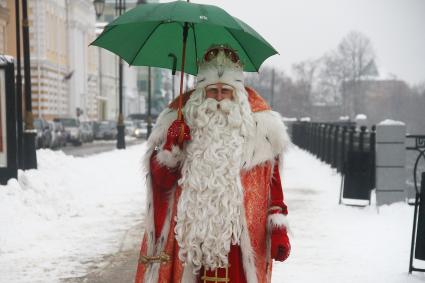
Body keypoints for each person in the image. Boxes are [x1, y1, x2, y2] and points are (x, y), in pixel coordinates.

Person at [135, 45, 291, 283]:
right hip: (188, 243)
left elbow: (272, 183)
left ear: (237, 93)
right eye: (212, 90)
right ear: (201, 92)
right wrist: (172, 149)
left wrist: (278, 228)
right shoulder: (181, 121)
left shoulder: (260, 129)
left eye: (225, 91)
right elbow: (160, 182)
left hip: (238, 243)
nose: (218, 97)